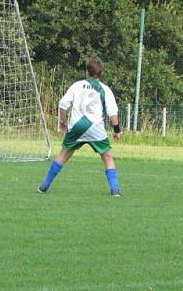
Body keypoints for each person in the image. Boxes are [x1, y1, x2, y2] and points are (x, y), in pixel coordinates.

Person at [37, 56, 122, 196]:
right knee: (107, 156)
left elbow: (63, 105)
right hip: (95, 127)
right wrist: (117, 130)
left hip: (77, 126)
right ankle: (115, 190)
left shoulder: (77, 85)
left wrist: (62, 123)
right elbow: (112, 112)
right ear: (101, 73)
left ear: (87, 72)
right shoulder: (105, 89)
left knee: (63, 155)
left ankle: (44, 186)